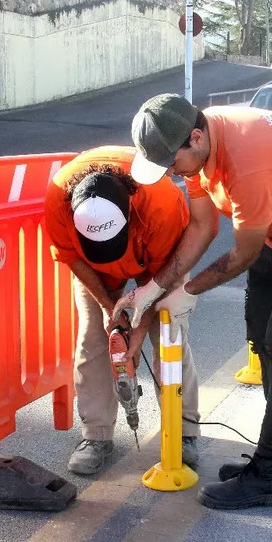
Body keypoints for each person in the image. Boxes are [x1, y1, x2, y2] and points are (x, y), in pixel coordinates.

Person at [114, 94, 272, 510]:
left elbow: (243, 254)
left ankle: (269, 476)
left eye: (172, 163)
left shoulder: (248, 160)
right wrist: (152, 290)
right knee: (262, 340)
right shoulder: (197, 146)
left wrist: (187, 291)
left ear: (196, 138)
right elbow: (202, 227)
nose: (172, 172)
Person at [44, 145, 200, 475]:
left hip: (161, 263)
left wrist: (137, 332)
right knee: (93, 338)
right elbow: (71, 257)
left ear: (130, 211)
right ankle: (96, 435)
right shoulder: (58, 197)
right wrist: (108, 308)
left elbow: (163, 277)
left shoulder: (159, 200)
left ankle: (183, 431)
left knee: (169, 334)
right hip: (93, 269)